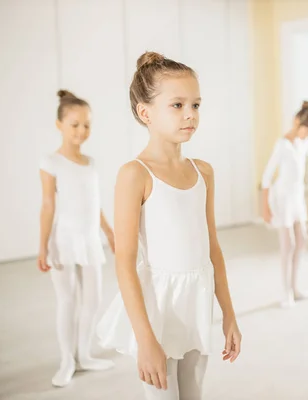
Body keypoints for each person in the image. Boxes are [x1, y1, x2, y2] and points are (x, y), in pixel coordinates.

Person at [97, 52, 241, 400]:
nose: (190, 114)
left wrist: (229, 314)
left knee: (193, 393)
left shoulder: (203, 171)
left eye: (196, 104)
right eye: (177, 105)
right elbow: (124, 261)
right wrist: (145, 339)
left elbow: (213, 249)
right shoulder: (134, 174)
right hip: (157, 311)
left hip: (196, 302)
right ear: (145, 112)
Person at [38, 90, 115, 387]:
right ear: (59, 125)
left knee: (93, 300)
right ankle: (66, 360)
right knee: (67, 301)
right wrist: (42, 246)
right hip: (64, 240)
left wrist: (108, 232)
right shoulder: (50, 161)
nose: (81, 131)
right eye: (75, 124)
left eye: (86, 125)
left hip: (90, 239)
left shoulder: (91, 162)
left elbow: (94, 204)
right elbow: (47, 205)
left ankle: (84, 354)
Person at [261, 101, 308, 308]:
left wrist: (307, 110)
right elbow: (266, 177)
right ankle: (286, 294)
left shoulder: (301, 144)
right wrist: (265, 207)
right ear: (296, 123)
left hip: (296, 199)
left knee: (302, 241)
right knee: (288, 245)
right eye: (306, 130)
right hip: (282, 199)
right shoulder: (282, 145)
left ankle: (295, 288)